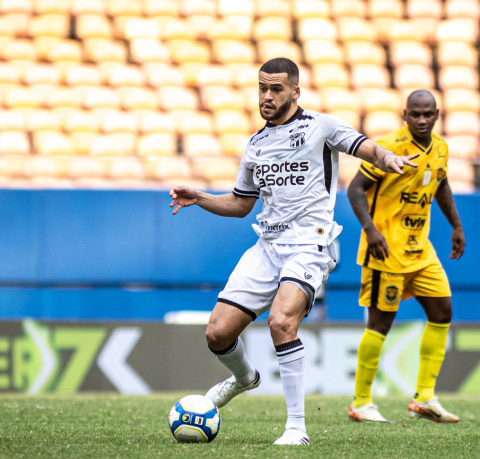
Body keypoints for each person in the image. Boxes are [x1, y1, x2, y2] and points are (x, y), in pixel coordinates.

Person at [169, 57, 418, 446]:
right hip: (267, 246)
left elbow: (365, 147)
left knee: (281, 322)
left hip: (311, 244)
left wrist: (389, 159)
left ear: (295, 92)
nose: (267, 96)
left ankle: (296, 428)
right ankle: (244, 378)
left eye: (276, 89)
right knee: (217, 334)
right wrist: (198, 197)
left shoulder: (321, 126)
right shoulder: (255, 145)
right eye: (262, 88)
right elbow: (240, 204)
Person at [346, 90, 465, 424]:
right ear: (405, 115)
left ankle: (424, 398)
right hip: (386, 250)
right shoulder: (388, 148)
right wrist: (370, 230)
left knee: (442, 312)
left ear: (437, 114)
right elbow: (354, 189)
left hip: (421, 250)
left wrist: (456, 225)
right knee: (381, 323)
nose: (422, 120)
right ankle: (361, 402)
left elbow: (440, 185)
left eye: (428, 114)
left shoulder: (440, 148)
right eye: (416, 114)